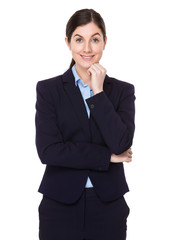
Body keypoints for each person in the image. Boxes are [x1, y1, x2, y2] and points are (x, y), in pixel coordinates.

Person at [35, 8, 135, 240]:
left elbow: (121, 143)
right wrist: (106, 157)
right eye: (79, 39)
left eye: (95, 39)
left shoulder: (122, 91)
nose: (87, 48)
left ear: (105, 42)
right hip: (59, 204)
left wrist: (98, 92)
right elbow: (49, 151)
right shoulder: (49, 90)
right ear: (68, 42)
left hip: (108, 205)